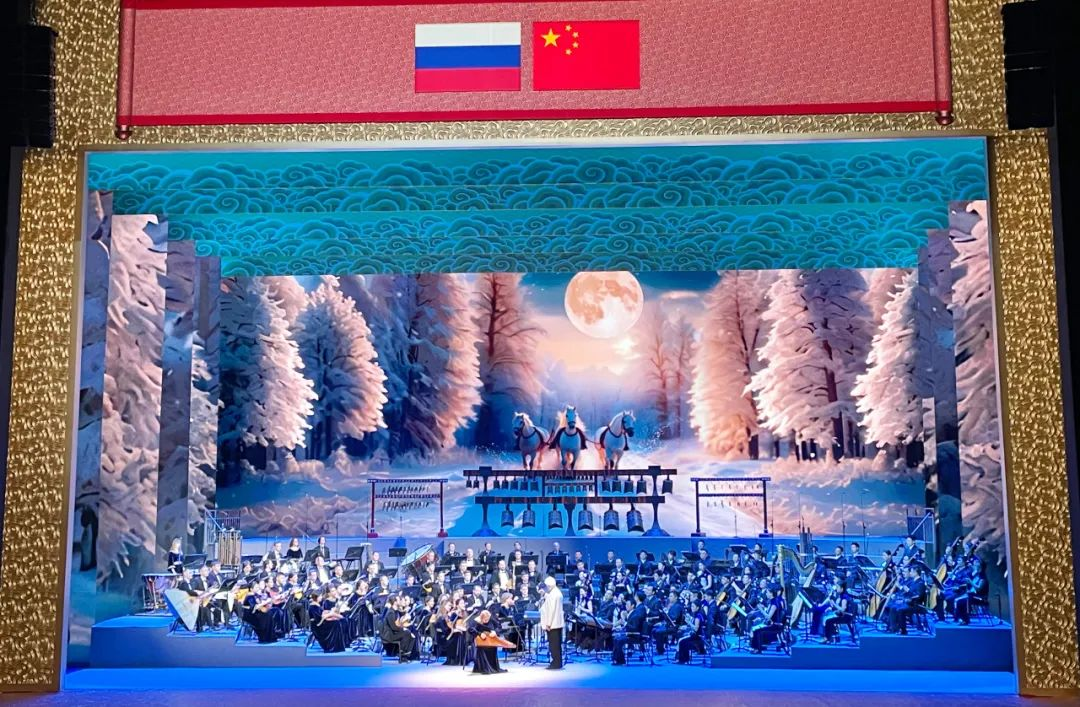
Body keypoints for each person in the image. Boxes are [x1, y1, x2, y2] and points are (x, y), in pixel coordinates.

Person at [470, 609, 507, 674]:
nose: (486, 620)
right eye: (485, 619)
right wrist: (480, 634)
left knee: (492, 647)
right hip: (481, 641)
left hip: (491, 640)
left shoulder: (491, 619)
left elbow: (499, 627)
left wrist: (495, 632)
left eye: (488, 619)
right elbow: (470, 629)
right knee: (485, 648)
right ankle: (484, 668)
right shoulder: (477, 620)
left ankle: (493, 667)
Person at [539, 576, 565, 670]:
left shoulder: (552, 596)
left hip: (552, 624)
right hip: (558, 623)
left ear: (549, 586)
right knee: (557, 645)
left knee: (553, 645)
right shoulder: (557, 592)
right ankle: (558, 662)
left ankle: (555, 663)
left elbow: (551, 611)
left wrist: (548, 624)